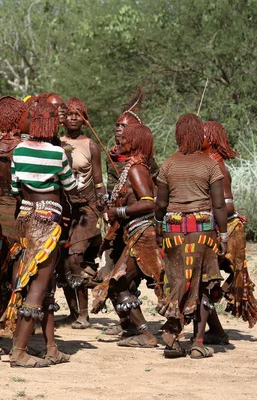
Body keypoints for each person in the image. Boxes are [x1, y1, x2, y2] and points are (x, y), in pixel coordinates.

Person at [7, 101, 76, 367]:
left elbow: (15, 188)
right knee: (37, 288)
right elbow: (71, 185)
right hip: (48, 221)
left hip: (24, 219)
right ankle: (19, 352)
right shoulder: (58, 153)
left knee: (42, 286)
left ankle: (51, 348)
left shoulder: (19, 150)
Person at [155, 113, 228, 359]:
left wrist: (157, 226)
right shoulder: (210, 165)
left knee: (177, 282)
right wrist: (225, 234)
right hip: (202, 232)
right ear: (199, 135)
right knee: (204, 284)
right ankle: (197, 343)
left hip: (173, 231)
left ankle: (173, 340)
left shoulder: (167, 164)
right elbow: (219, 206)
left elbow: (161, 204)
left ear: (178, 135)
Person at [91, 124, 163, 348]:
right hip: (135, 233)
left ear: (136, 143)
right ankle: (135, 329)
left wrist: (118, 211)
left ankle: (145, 334)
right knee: (118, 283)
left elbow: (148, 203)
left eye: (126, 138)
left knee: (118, 282)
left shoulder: (136, 169)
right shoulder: (132, 167)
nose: (120, 140)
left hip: (142, 236)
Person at [203, 121, 257, 341]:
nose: (198, 138)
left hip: (224, 231)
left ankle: (215, 331)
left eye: (203, 135)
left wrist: (202, 210)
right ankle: (215, 330)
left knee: (204, 281)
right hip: (213, 228)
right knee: (202, 283)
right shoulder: (207, 164)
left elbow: (228, 206)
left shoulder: (218, 168)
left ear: (213, 140)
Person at [0, 96, 29, 355]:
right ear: (16, 119)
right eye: (24, 116)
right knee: (19, 281)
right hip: (19, 219)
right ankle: (17, 344)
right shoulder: (25, 148)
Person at [59, 98, 106, 329]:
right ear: (63, 118)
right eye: (69, 114)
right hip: (64, 207)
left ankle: (84, 315)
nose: (74, 118)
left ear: (85, 119)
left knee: (75, 256)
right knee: (62, 259)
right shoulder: (56, 143)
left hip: (86, 208)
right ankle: (73, 312)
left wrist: (102, 208)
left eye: (79, 114)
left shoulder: (91, 145)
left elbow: (98, 181)